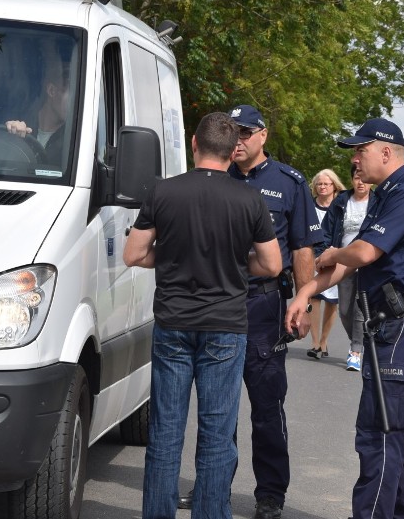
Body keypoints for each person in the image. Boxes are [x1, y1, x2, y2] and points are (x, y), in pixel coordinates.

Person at [123, 112, 282, 519]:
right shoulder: (250, 199)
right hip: (226, 327)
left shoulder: (162, 192)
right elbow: (272, 264)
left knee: (165, 433)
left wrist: (173, 255)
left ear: (194, 145)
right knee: (215, 436)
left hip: (174, 323)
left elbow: (134, 253)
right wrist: (234, 261)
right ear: (233, 153)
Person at [285, 117, 404, 519]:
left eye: (361, 150)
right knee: (399, 431)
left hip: (403, 319)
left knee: (381, 431)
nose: (354, 160)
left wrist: (333, 254)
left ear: (386, 152)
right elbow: (356, 257)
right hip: (394, 321)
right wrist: (306, 292)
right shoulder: (385, 194)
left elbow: (361, 253)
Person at [228, 104, 324, 519]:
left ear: (263, 135)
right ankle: (214, 485)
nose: (238, 139)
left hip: (264, 304)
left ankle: (270, 493)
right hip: (220, 301)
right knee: (219, 405)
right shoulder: (217, 176)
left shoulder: (288, 182)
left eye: (246, 132)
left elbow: (303, 248)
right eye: (232, 132)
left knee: (267, 404)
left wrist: (304, 304)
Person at [320, 164, 373, 371]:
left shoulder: (377, 202)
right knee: (344, 310)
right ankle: (359, 340)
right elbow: (326, 230)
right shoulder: (341, 201)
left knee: (360, 308)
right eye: (357, 178)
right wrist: (324, 252)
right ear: (351, 180)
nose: (361, 182)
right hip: (342, 262)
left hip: (367, 263)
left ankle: (355, 350)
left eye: (364, 178)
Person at [306, 168, 346, 360]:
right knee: (314, 298)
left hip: (335, 256)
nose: (322, 187)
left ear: (334, 186)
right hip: (313, 258)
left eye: (326, 184)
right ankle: (314, 343)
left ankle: (324, 341)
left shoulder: (341, 206)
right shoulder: (309, 206)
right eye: (319, 184)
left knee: (332, 302)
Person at [4, 57, 70, 167]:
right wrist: (10, 136)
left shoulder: (75, 140)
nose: (76, 101)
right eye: (71, 93)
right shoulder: (18, 120)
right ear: (51, 91)